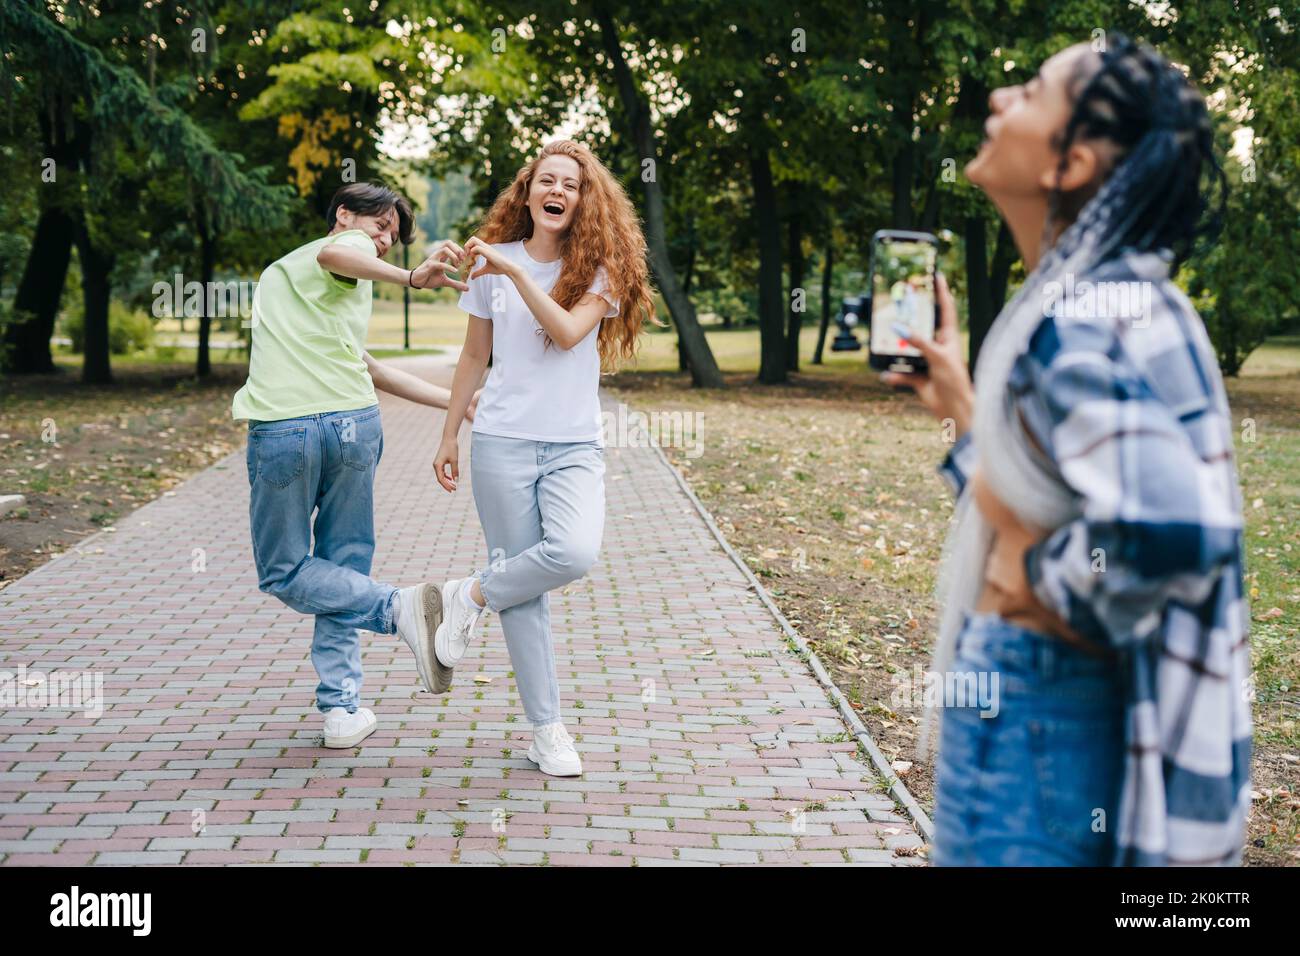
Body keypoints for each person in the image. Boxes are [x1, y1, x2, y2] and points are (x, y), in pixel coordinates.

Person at [888, 35, 1250, 865]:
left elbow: (1173, 533)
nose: (998, 99)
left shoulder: (1083, 320)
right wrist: (964, 414)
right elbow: (1051, 508)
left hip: (1041, 705)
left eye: (1031, 92)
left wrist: (1035, 580)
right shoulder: (1117, 297)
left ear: (1070, 163)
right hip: (1061, 709)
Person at [431, 140, 654, 776]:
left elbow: (564, 334)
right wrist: (449, 434)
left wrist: (518, 276)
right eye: (546, 180)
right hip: (500, 440)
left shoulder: (601, 269)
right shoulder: (490, 263)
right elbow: (475, 356)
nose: (558, 190)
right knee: (525, 595)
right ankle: (546, 729)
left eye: (572, 184)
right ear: (527, 193)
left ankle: (468, 594)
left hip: (573, 444)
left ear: (585, 200)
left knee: (574, 551)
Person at [232, 182, 473, 749]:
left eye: (394, 236)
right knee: (341, 565)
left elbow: (376, 370)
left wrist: (461, 404)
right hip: (351, 429)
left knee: (288, 571)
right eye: (381, 225)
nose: (386, 241)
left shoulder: (325, 278)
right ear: (344, 213)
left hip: (291, 430)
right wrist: (412, 277)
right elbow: (335, 251)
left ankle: (379, 641)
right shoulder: (336, 255)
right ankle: (344, 701)